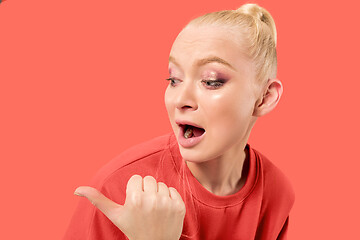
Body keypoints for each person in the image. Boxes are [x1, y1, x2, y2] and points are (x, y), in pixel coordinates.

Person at [64, 3, 295, 240]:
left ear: (265, 97)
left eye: (211, 81)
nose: (181, 99)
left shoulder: (276, 193)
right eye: (174, 79)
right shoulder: (117, 190)